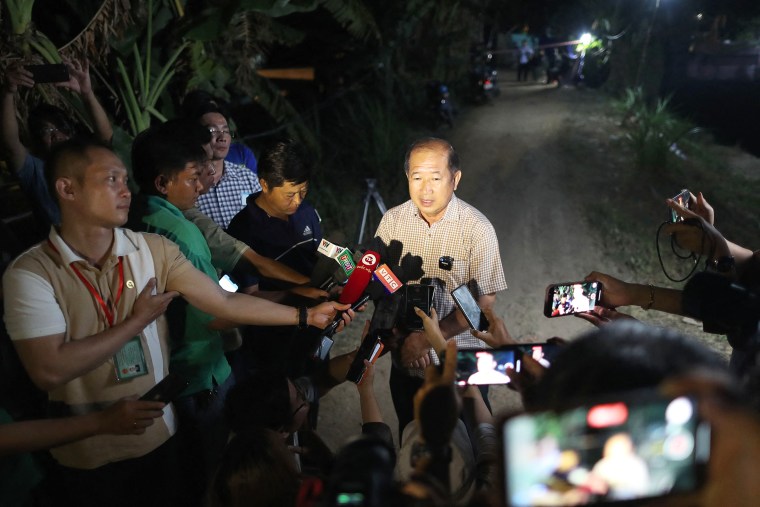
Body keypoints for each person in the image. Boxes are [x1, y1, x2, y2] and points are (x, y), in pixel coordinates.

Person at [1, 138, 348, 506]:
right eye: (110, 180)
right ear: (67, 188)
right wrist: (135, 324)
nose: (125, 190)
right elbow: (49, 370)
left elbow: (223, 302)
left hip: (158, 434)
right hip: (86, 454)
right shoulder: (31, 273)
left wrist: (304, 315)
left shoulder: (152, 249)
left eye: (124, 178)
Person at [372, 137, 507, 436]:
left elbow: (484, 300)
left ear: (455, 179)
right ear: (407, 177)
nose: (426, 188)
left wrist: (429, 337)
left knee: (472, 449)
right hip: (407, 366)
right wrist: (395, 332)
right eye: (417, 178)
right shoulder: (392, 221)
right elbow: (380, 279)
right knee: (412, 448)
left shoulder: (477, 229)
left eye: (436, 178)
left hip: (461, 369)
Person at [1, 59, 113, 227]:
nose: (57, 135)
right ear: (37, 140)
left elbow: (106, 137)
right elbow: (10, 143)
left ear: (72, 131)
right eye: (46, 131)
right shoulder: (35, 171)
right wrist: (8, 92)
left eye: (61, 127)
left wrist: (87, 93)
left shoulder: (87, 159)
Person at [191, 103, 261, 229]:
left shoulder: (248, 179)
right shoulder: (188, 185)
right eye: (212, 130)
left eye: (226, 131)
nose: (222, 137)